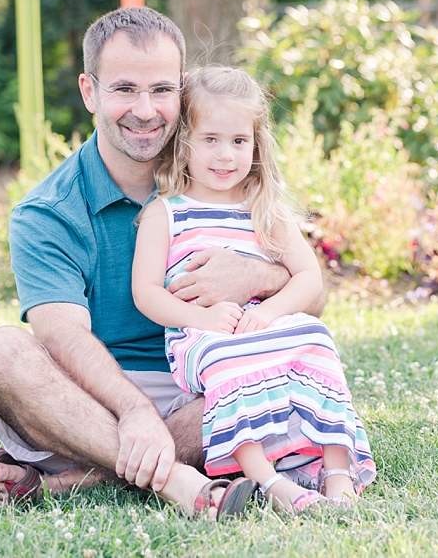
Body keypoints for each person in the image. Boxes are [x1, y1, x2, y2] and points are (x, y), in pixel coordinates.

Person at [0, 7, 310, 520]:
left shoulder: (225, 178)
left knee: (285, 374)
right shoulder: (48, 212)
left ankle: (72, 480)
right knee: (0, 353)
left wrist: (257, 274)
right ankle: (175, 479)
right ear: (90, 92)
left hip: (205, 382)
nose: (146, 110)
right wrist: (133, 411)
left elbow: (313, 295)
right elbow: (63, 337)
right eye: (125, 89)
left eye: (161, 90)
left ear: (182, 90)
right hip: (89, 399)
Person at [131, 66, 376, 513]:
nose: (226, 156)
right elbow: (146, 292)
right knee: (227, 358)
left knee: (317, 339)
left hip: (265, 322)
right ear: (183, 141)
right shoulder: (166, 213)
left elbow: (308, 278)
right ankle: (268, 479)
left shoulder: (263, 207)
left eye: (239, 142)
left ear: (256, 144)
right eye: (210, 140)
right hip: (204, 333)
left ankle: (337, 470)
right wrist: (200, 317)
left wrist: (270, 312)